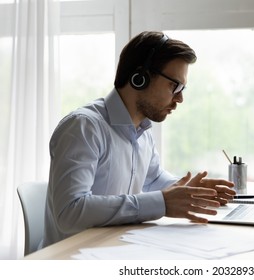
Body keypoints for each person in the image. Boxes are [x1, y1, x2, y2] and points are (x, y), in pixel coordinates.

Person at [42, 31, 235, 247]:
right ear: (140, 77)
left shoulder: (142, 129)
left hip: (117, 249)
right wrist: (161, 203)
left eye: (182, 88)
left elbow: (152, 178)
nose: (180, 98)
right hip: (75, 259)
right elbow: (70, 212)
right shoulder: (84, 127)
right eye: (175, 86)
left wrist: (190, 192)